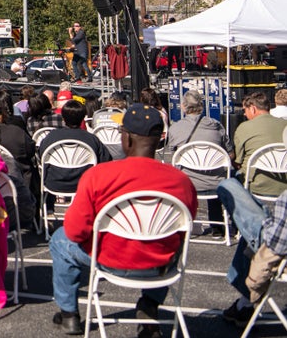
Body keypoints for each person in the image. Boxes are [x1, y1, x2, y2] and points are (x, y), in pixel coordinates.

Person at [48, 103, 197, 335]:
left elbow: (76, 232)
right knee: (175, 244)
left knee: (60, 239)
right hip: (159, 265)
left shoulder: (98, 176)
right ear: (159, 140)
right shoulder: (182, 182)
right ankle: (149, 306)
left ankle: (69, 314)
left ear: (125, 139)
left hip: (110, 261)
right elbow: (184, 229)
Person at [215, 181, 287, 326]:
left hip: (279, 253)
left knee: (229, 185)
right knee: (250, 234)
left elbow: (277, 245)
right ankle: (243, 305)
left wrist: (266, 225)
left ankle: (245, 304)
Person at [167, 89, 234, 234]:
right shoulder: (216, 126)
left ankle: (185, 222)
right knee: (215, 169)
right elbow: (230, 154)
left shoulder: (176, 128)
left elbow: (173, 154)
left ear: (184, 106)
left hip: (188, 182)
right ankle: (218, 226)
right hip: (216, 182)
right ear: (201, 106)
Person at [37, 99, 113, 197]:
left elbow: (40, 157)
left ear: (63, 118)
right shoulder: (92, 139)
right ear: (82, 119)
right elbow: (106, 161)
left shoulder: (51, 137)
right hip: (85, 184)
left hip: (54, 183)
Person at [234, 91, 287, 199]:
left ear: (252, 108)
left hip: (255, 184)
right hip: (284, 184)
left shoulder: (244, 127)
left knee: (228, 180)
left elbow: (238, 162)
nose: (244, 114)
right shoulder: (284, 125)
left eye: (245, 110)